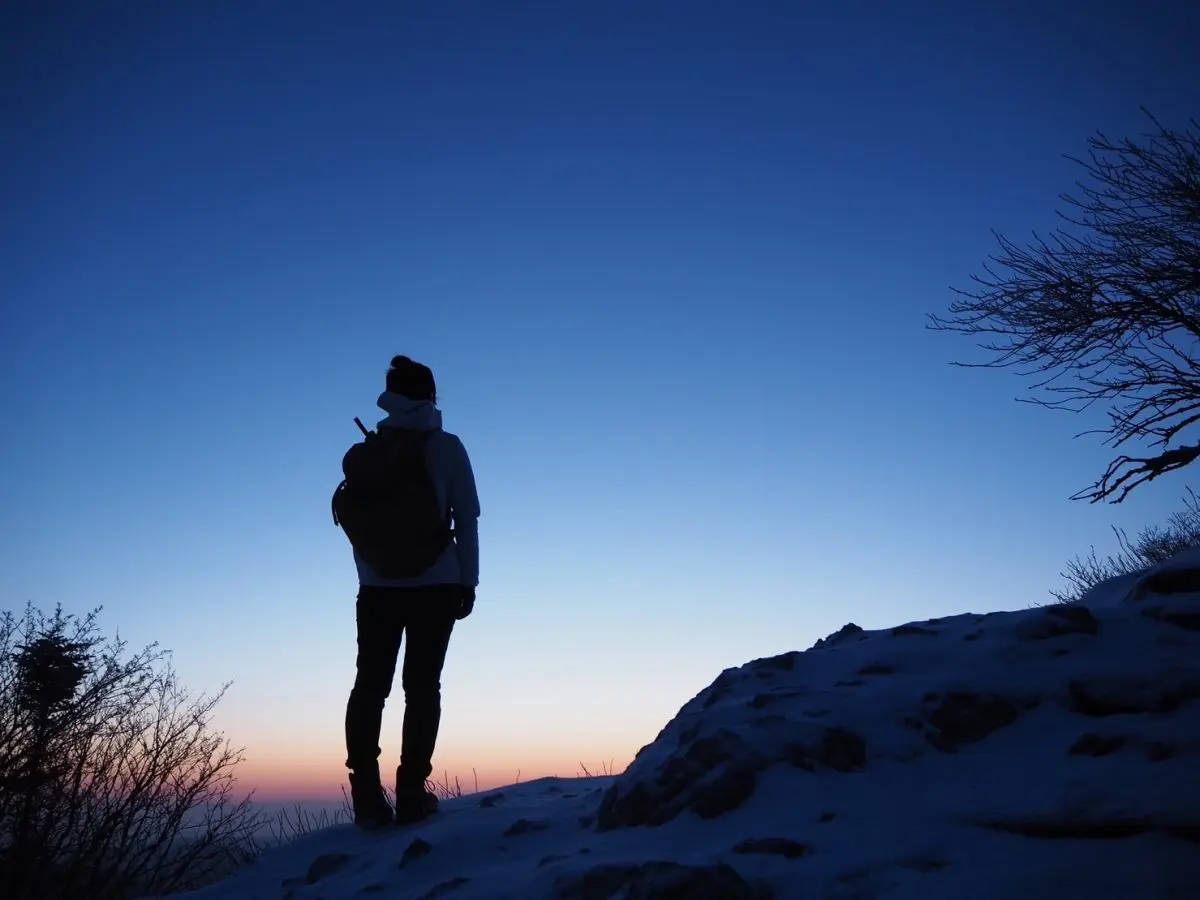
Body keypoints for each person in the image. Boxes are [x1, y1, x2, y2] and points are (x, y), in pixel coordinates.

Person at [343, 355, 480, 827]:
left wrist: (374, 571)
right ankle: (411, 793)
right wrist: (468, 580)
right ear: (432, 394)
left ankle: (365, 796)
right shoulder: (448, 447)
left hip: (377, 587)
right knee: (422, 688)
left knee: (370, 686)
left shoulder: (373, 448)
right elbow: (466, 519)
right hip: (437, 583)